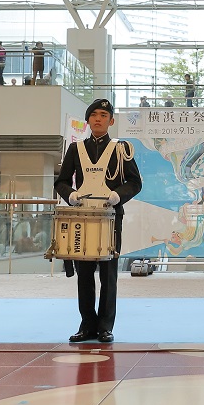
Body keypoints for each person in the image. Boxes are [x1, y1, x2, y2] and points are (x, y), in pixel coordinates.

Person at [53, 99, 142, 343]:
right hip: (82, 217)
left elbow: (135, 182)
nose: (98, 118)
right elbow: (60, 181)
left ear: (111, 121)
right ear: (88, 120)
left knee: (108, 274)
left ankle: (105, 326)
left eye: (103, 114)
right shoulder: (76, 149)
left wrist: (118, 196)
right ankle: (86, 325)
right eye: (93, 114)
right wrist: (70, 195)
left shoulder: (120, 149)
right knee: (84, 274)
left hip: (110, 218)